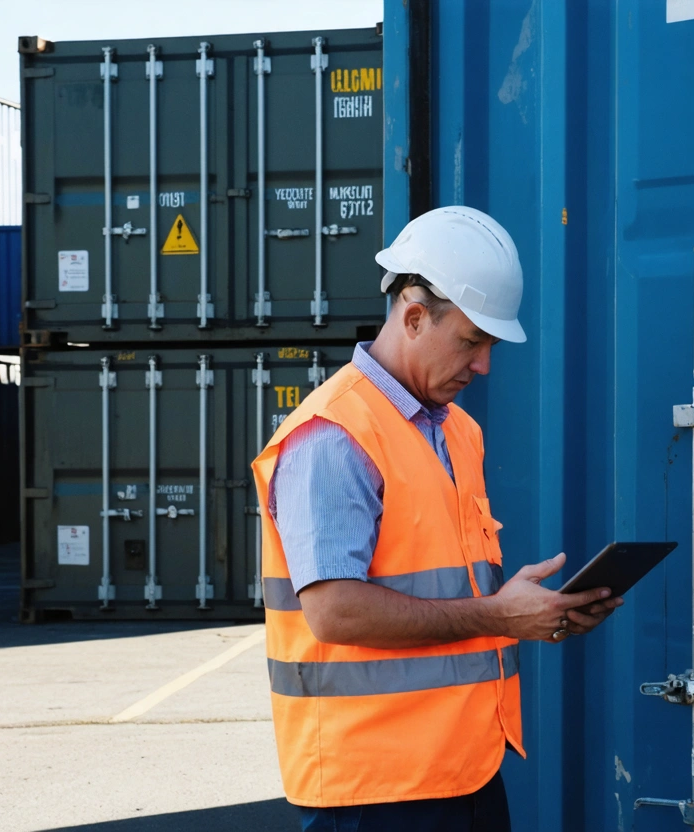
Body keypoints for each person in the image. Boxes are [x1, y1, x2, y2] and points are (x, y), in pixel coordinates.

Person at [251, 206, 622, 832]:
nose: (483, 366)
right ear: (414, 316)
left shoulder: (458, 433)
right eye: (472, 342)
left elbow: (453, 593)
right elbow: (334, 611)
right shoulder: (333, 437)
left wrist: (534, 615)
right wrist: (498, 614)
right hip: (374, 792)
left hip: (462, 773)